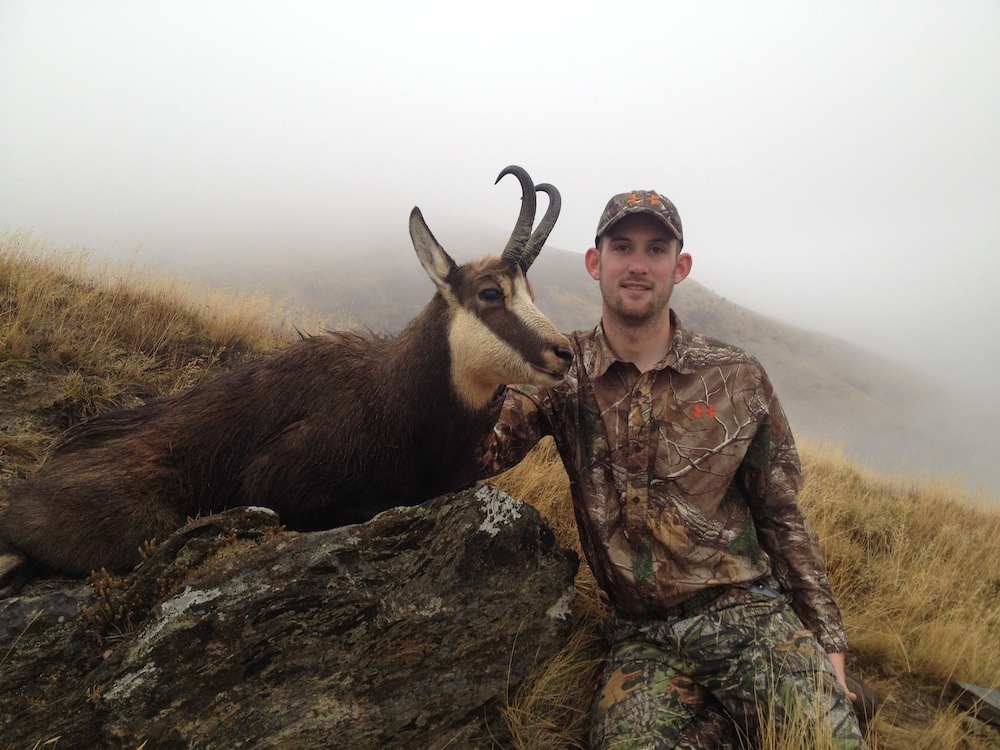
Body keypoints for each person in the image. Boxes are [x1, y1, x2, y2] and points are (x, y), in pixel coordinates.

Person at [476, 190, 866, 748]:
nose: (638, 264)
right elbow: (486, 452)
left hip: (749, 615)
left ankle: (805, 702)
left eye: (656, 249)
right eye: (622, 247)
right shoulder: (560, 370)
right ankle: (736, 723)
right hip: (642, 637)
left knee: (822, 739)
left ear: (679, 267)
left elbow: (782, 515)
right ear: (595, 262)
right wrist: (474, 341)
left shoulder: (736, 376)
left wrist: (829, 645)